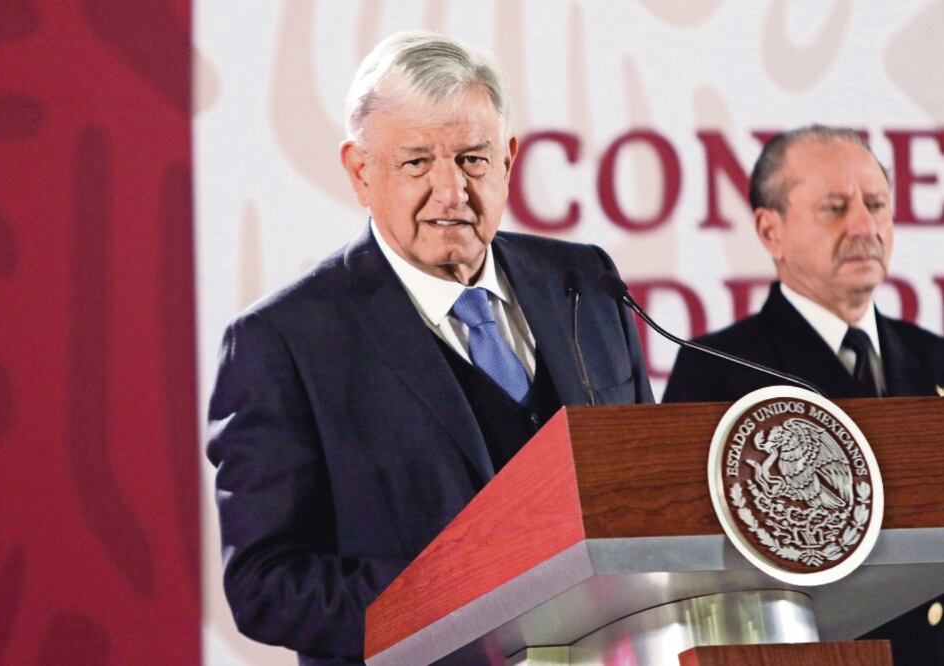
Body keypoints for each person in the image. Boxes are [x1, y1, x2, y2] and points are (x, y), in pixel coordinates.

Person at [207, 32, 652, 665]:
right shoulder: (284, 343)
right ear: (361, 172)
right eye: (417, 162)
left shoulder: (585, 283)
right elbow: (267, 586)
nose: (451, 191)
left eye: (473, 159)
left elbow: (649, 499)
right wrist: (469, 597)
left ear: (508, 160)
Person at [663, 125, 944, 665]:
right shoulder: (717, 371)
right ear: (771, 231)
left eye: (877, 204)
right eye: (836, 208)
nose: (865, 226)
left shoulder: (935, 359)